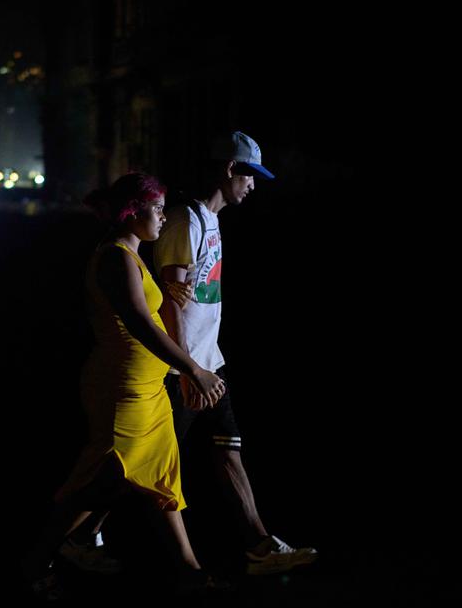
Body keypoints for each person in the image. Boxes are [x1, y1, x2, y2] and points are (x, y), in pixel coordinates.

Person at [64, 132, 318, 576]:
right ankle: (74, 539)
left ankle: (255, 546)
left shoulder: (208, 220)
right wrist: (188, 369)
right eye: (249, 175)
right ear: (228, 170)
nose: (253, 185)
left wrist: (204, 363)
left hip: (206, 362)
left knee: (224, 450)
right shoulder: (183, 221)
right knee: (135, 468)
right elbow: (169, 303)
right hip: (187, 367)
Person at [22, 173, 227, 599]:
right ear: (131, 212)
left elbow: (150, 313)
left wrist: (171, 294)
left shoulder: (133, 255)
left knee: (163, 479)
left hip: (147, 393)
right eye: (156, 209)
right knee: (98, 482)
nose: (163, 218)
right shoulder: (116, 257)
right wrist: (194, 370)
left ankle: (189, 569)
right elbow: (139, 324)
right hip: (123, 391)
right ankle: (34, 563)